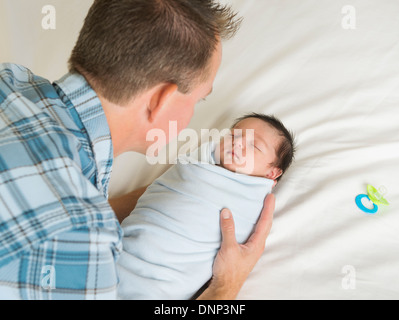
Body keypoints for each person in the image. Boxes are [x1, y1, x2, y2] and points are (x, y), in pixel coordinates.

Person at [0, 0, 274, 300]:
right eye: (198, 100)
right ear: (161, 100)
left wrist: (180, 189)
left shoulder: (10, 81)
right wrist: (227, 286)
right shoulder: (83, 240)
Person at [117, 113, 296, 300]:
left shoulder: (251, 202)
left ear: (272, 172)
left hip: (158, 285)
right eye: (234, 135)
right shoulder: (194, 165)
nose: (238, 143)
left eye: (254, 145)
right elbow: (158, 193)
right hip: (119, 252)